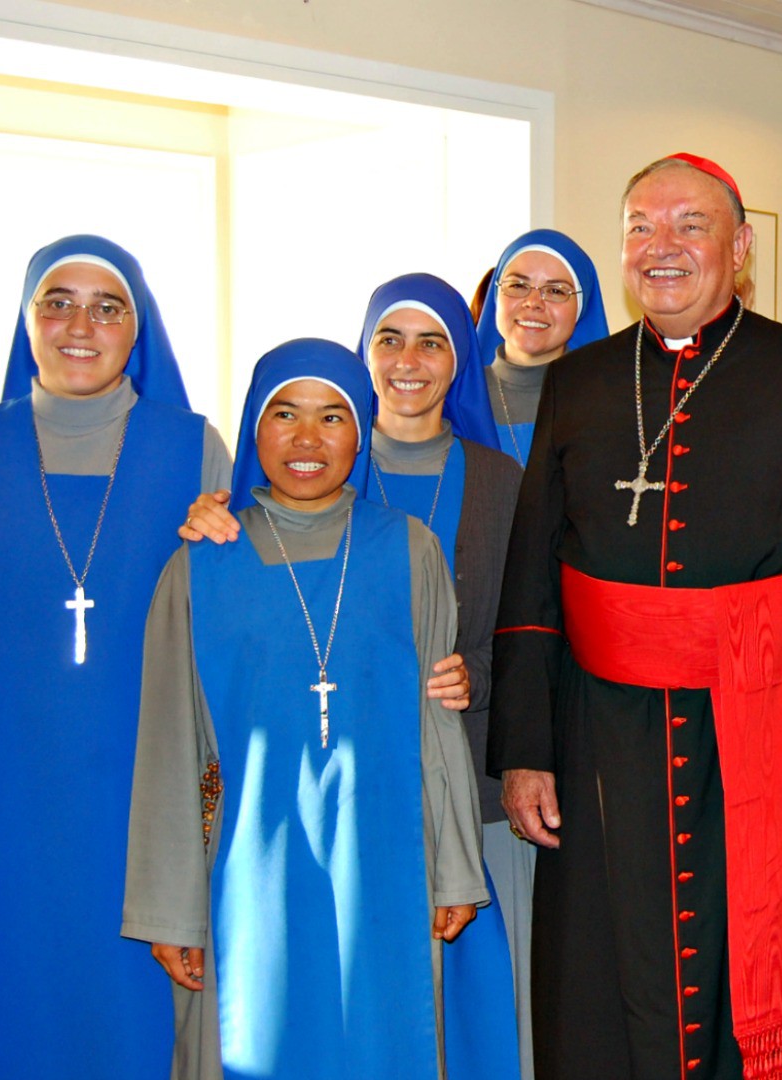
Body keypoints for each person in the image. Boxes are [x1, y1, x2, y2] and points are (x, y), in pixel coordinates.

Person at [490, 153, 782, 1079]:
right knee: (606, 959)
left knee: (744, 948)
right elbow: (531, 582)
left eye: (691, 225)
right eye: (641, 226)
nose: (662, 247)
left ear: (740, 246)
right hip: (603, 729)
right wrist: (525, 746)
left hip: (766, 720)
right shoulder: (580, 381)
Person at [0, 235, 228, 1079]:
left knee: (138, 1022)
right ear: (27, 322)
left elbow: (232, 632)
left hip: (148, 806)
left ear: (136, 330)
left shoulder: (193, 450)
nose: (80, 324)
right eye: (56, 302)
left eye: (108, 307)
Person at [181, 272, 526, 1077]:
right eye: (389, 340)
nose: (409, 359)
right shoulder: (313, 473)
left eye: (433, 340)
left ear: (460, 360)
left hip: (444, 786)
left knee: (425, 1015)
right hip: (299, 793)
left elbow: (530, 626)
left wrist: (471, 672)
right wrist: (213, 509)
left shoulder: (499, 481)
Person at [476, 229, 610, 466]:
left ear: (580, 309)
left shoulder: (609, 404)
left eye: (556, 291)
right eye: (517, 285)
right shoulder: (455, 398)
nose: (533, 302)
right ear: (496, 295)